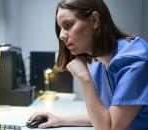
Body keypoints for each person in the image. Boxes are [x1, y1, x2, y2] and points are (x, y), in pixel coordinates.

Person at [27, 0, 148, 130]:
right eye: (60, 28)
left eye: (68, 25)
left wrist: (84, 78)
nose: (61, 35)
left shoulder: (133, 60)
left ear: (94, 20)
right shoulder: (99, 66)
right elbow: (105, 116)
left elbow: (110, 127)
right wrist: (61, 120)